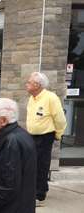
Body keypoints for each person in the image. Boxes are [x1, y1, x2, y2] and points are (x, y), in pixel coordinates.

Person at [26, 72, 67, 202]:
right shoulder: (32, 98)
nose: (26, 84)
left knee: (41, 165)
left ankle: (40, 196)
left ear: (37, 85)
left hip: (45, 136)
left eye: (29, 82)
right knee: (32, 164)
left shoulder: (51, 97)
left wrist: (59, 134)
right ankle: (38, 188)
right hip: (32, 136)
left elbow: (60, 119)